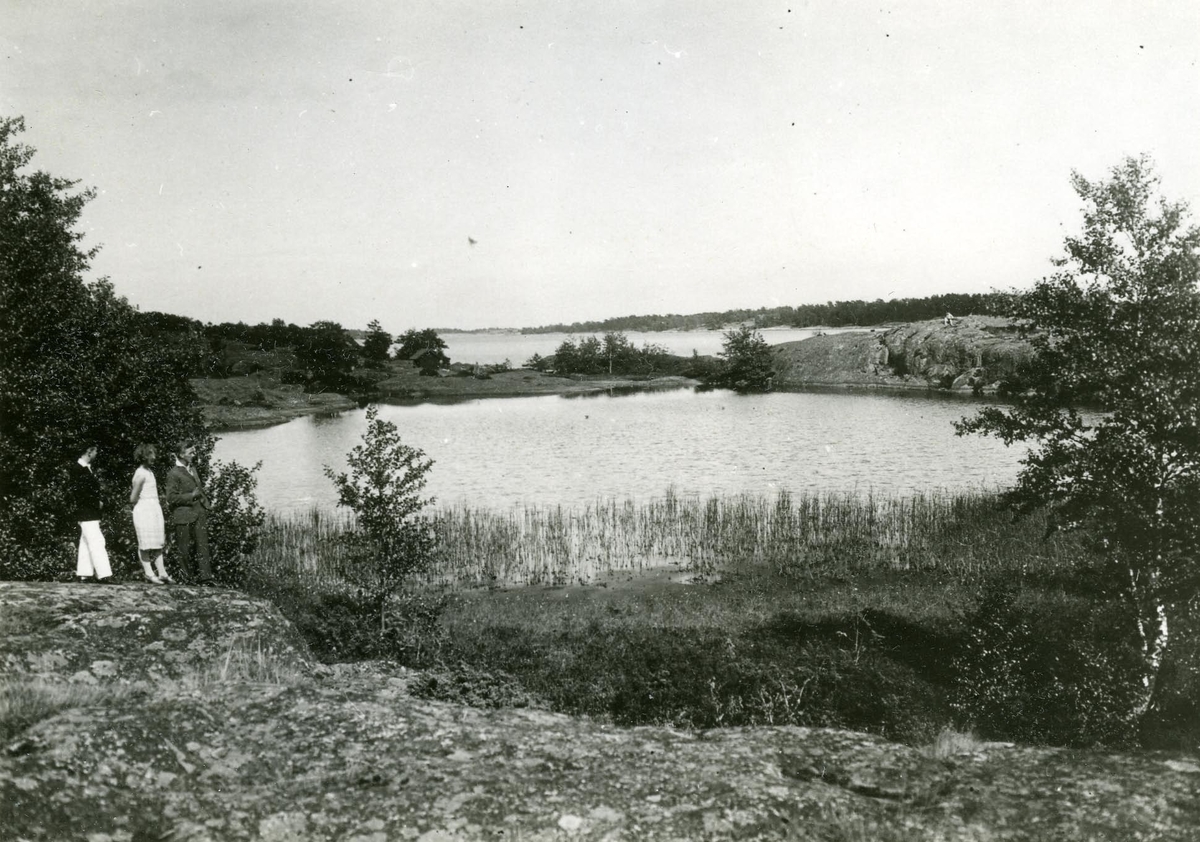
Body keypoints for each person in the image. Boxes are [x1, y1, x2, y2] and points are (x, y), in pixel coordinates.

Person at [165, 440, 213, 584]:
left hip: (199, 512)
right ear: (180, 454)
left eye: (194, 451)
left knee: (203, 545)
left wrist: (206, 504)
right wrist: (191, 496)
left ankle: (206, 578)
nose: (194, 454)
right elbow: (171, 498)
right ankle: (187, 579)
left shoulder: (192, 468)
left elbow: (199, 489)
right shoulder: (173, 473)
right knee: (183, 548)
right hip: (183, 515)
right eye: (191, 452)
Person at [130, 443, 173, 584]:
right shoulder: (141, 474)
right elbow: (133, 498)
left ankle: (162, 572)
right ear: (143, 456)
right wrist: (145, 504)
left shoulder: (149, 472)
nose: (154, 457)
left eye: (154, 454)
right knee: (145, 543)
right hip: (144, 510)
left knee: (158, 542)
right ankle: (148, 573)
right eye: (150, 454)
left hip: (154, 509)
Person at [70, 443, 113, 583]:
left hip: (87, 511)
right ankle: (104, 574)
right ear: (89, 452)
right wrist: (97, 503)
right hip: (86, 511)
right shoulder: (78, 469)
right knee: (97, 541)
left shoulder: (84, 469)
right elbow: (81, 493)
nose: (96, 454)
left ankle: (84, 573)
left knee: (86, 542)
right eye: (95, 451)